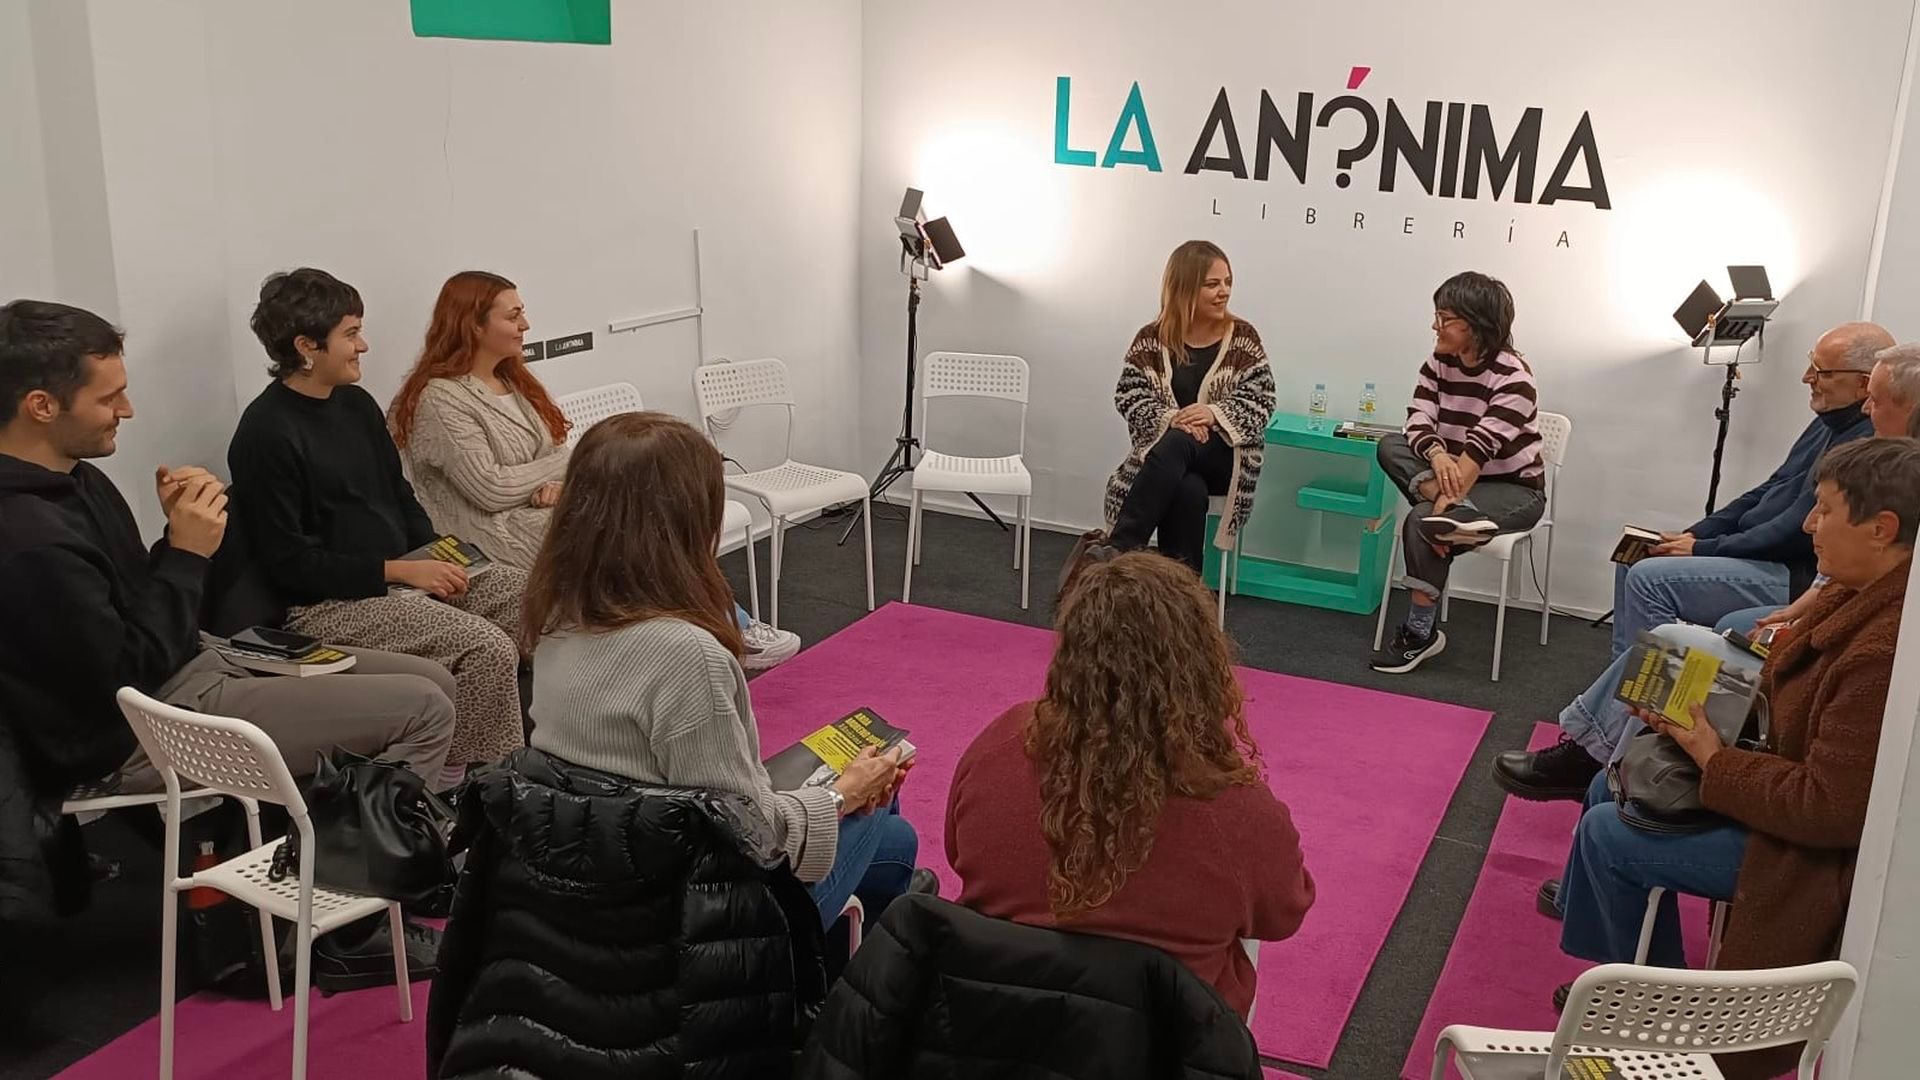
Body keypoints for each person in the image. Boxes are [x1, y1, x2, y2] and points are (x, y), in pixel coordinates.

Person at [0, 299, 453, 981]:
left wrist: (176, 540)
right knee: (425, 707)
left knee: (440, 679)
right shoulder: (28, 537)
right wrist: (187, 555)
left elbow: (133, 613)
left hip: (190, 663)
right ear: (40, 405)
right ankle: (343, 920)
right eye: (110, 396)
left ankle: (346, 855)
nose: (126, 411)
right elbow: (124, 676)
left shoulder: (76, 482)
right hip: (142, 726)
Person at [1549, 437, 1915, 1080]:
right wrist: (1698, 717)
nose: (1809, 524)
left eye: (1824, 511)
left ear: (1882, 528)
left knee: (1608, 831)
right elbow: (1792, 716)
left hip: (1816, 861)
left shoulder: (1882, 653)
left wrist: (1710, 754)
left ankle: (1667, 1011)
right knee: (1616, 784)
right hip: (1782, 800)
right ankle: (1637, 985)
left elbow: (1827, 811)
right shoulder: (1861, 594)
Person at [520, 410, 931, 929]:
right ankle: (834, 969)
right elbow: (745, 839)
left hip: (599, 874)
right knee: (889, 820)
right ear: (690, 520)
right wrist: (841, 793)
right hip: (697, 920)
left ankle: (858, 946)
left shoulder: (557, 617)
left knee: (890, 834)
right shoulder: (686, 656)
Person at [1494, 321, 1887, 800]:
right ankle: (1625, 707)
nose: (1807, 377)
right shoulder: (1827, 424)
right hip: (1762, 560)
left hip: (1787, 576)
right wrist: (1696, 533)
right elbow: (1766, 493)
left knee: (1648, 581)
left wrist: (1703, 550)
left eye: (1821, 371)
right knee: (1635, 561)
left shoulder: (1867, 447)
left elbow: (1790, 534)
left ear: (1866, 383)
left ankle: (1607, 738)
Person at [946, 552, 1315, 1019]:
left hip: (997, 1026)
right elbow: (1285, 911)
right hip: (1167, 1046)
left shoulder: (1002, 745)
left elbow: (958, 852)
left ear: (1071, 656)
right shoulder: (1238, 813)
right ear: (1201, 664)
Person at [388, 270, 799, 669]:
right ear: (472, 325)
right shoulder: (440, 401)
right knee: (630, 537)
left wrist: (559, 480)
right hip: (490, 534)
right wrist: (566, 467)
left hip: (541, 512)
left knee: (647, 526)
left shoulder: (512, 383)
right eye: (512, 317)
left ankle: (725, 627)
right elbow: (491, 488)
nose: (525, 325)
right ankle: (720, 630)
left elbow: (558, 456)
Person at [227, 269, 526, 779]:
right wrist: (400, 572)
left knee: (530, 596)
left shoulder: (356, 405)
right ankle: (464, 787)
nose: (363, 345)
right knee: (484, 645)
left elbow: (399, 495)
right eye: (350, 334)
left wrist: (434, 554)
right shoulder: (265, 434)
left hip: (401, 573)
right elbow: (291, 565)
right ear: (306, 346)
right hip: (329, 606)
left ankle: (545, 750)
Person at [1372, 271, 1546, 674]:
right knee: (1388, 445)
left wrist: (1444, 494)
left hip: (1513, 490)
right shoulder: (1439, 362)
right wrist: (1435, 455)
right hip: (1449, 473)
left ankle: (1419, 634)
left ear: (1478, 325)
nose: (1436, 325)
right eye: (1437, 315)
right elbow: (1416, 421)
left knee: (1420, 519)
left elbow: (1479, 451)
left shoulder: (1515, 377)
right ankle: (1457, 520)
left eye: (1446, 318)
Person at [1098, 240, 1275, 577]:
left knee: (1180, 443)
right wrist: (1173, 419)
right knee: (1187, 488)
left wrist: (1213, 414)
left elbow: (1262, 400)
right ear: (1184, 287)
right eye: (1212, 284)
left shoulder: (1243, 339)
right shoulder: (1150, 339)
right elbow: (1129, 395)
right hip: (1171, 462)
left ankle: (1119, 547)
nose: (1224, 292)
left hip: (1226, 456)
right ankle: (1185, 597)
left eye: (1228, 282)